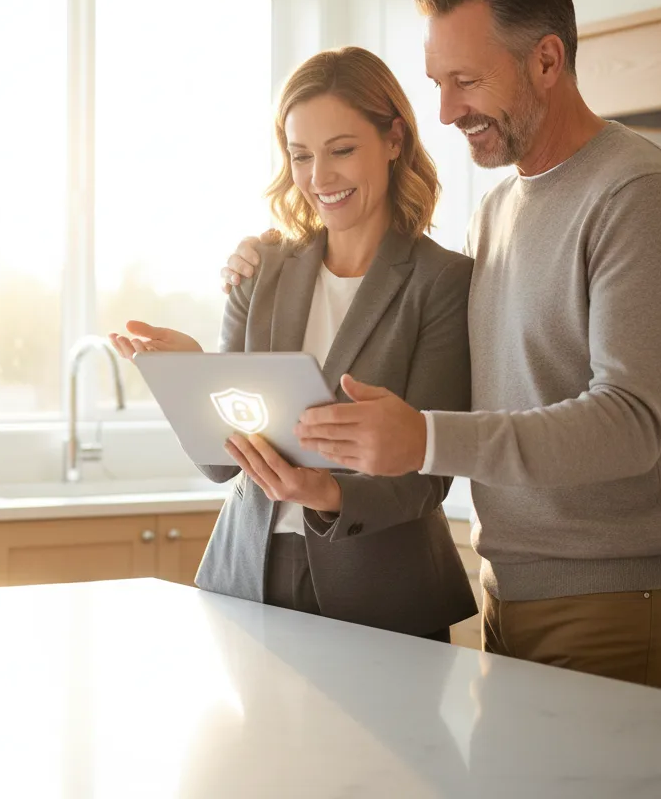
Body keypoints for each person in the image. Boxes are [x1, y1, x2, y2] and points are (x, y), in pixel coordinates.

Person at [220, 0, 661, 694]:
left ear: (547, 60)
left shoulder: (640, 195)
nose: (447, 112)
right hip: (511, 590)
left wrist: (423, 437)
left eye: (468, 81)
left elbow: (630, 422)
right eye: (438, 85)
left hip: (621, 597)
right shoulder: (500, 210)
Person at [110, 46, 476, 639]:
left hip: (381, 585)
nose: (319, 178)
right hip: (247, 577)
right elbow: (218, 464)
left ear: (394, 140)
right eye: (301, 156)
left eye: (342, 151)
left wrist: (326, 492)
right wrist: (187, 373)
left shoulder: (444, 282)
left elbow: (429, 473)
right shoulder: (261, 271)